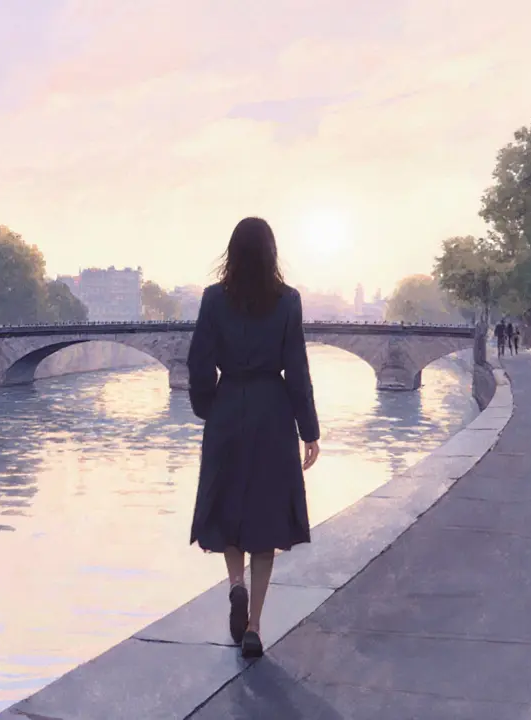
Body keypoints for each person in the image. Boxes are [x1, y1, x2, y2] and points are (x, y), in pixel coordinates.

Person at [187, 217, 320, 660]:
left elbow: (199, 362)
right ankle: (255, 628)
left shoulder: (212, 300)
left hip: (228, 407)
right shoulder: (288, 302)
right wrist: (309, 431)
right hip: (272, 410)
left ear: (232, 253)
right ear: (271, 253)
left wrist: (208, 406)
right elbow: (297, 370)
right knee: (265, 519)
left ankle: (235, 585)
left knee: (228, 506)